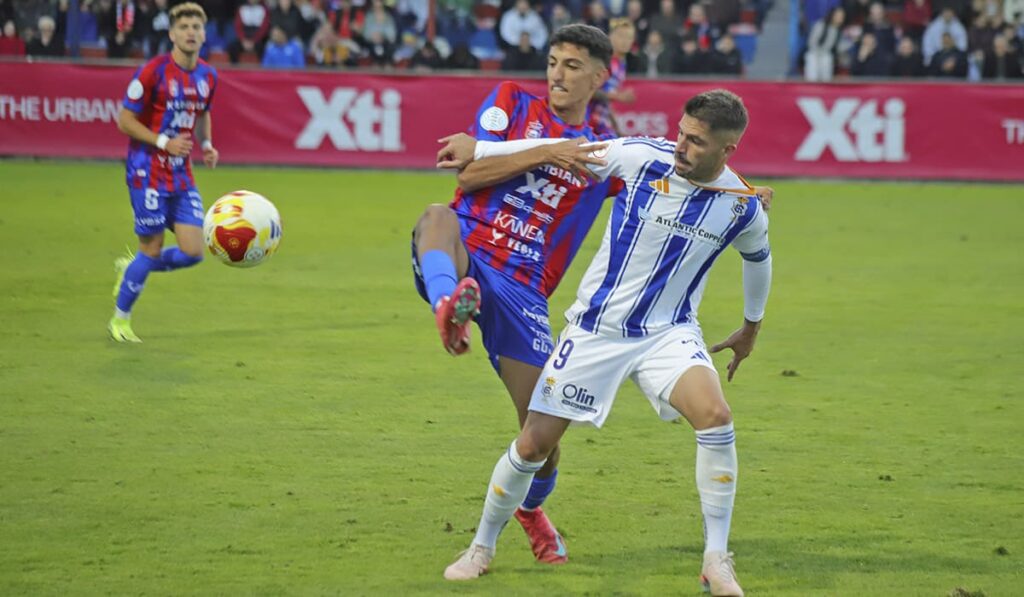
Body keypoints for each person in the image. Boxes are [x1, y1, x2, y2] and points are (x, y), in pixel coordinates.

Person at [440, 89, 770, 597]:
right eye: (681, 133)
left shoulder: (742, 206)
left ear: (727, 150)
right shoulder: (641, 157)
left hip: (668, 333)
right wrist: (480, 148)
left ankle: (716, 560)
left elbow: (759, 259)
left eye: (696, 142)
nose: (681, 146)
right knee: (534, 444)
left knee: (716, 416)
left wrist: (751, 327)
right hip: (597, 329)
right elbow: (564, 149)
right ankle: (481, 547)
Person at [413, 23, 618, 566]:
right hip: (470, 249)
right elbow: (469, 173)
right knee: (435, 216)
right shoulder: (513, 102)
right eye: (553, 62)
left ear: (599, 77)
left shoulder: (602, 153)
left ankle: (530, 509)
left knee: (542, 436)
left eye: (572, 66)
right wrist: (547, 152)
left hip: (524, 287)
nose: (557, 74)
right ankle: (447, 306)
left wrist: (743, 191)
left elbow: (675, 171)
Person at [109, 2, 219, 343]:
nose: (190, 32)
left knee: (193, 252)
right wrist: (163, 141)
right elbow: (124, 120)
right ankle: (120, 321)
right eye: (184, 27)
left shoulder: (209, 76)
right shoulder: (153, 72)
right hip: (147, 173)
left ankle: (134, 269)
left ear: (204, 35)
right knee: (152, 248)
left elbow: (203, 112)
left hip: (182, 175)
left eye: (196, 27)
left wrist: (207, 144)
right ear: (172, 34)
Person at [590, 18, 637, 137]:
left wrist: (616, 127)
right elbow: (588, 90)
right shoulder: (604, 61)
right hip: (588, 122)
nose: (625, 41)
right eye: (621, 36)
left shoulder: (621, 64)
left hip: (601, 124)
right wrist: (618, 96)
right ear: (610, 37)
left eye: (629, 37)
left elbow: (606, 102)